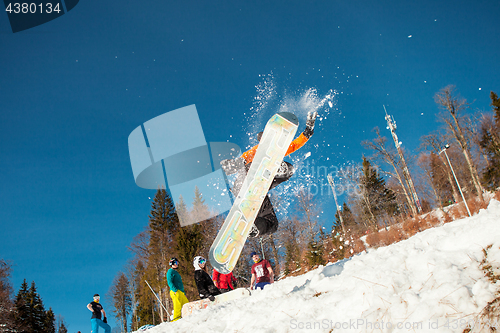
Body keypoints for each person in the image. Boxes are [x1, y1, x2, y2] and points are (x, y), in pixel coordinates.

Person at [221, 111, 317, 237]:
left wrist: (308, 131)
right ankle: (272, 168)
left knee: (272, 224)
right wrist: (234, 164)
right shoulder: (257, 150)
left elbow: (295, 144)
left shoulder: (280, 148)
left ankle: (253, 227)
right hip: (246, 179)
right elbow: (245, 158)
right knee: (288, 169)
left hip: (257, 192)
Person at [166, 257, 189, 321]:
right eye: (175, 263)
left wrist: (183, 293)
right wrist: (174, 290)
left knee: (186, 304)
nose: (176, 264)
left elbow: (180, 283)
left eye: (177, 263)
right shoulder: (170, 271)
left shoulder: (176, 272)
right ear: (171, 263)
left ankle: (187, 316)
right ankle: (176, 319)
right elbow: (169, 282)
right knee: (177, 305)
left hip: (181, 291)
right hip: (175, 291)